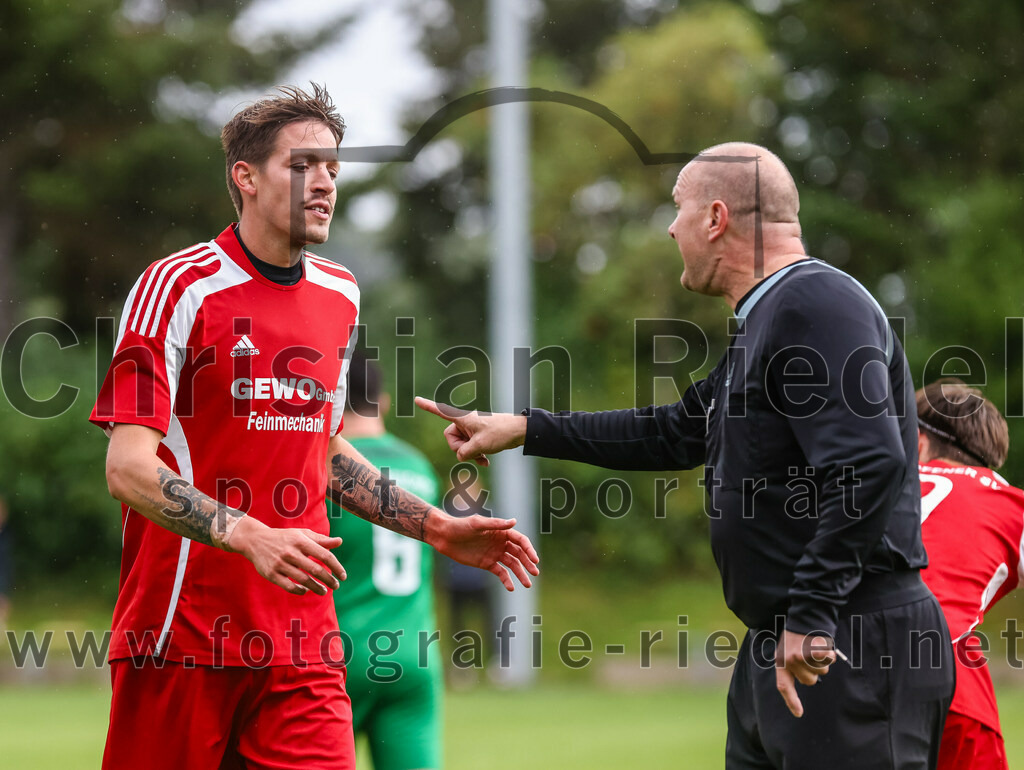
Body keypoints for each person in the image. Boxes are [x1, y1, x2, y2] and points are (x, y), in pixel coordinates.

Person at [417, 142, 954, 768]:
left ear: (716, 218)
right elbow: (674, 431)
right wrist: (524, 428)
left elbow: (869, 465)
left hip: (841, 641)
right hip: (786, 641)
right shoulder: (770, 317)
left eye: (678, 208)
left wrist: (811, 612)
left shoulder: (815, 303)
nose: (672, 228)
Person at [89, 84, 538, 770]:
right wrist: (249, 535)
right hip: (181, 638)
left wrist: (435, 527)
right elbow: (128, 468)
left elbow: (322, 454)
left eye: (333, 167)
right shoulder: (177, 287)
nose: (326, 182)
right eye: (303, 165)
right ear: (246, 177)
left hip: (304, 647)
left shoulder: (340, 296)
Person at [328, 350, 444, 770]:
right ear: (384, 401)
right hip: (414, 653)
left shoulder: (325, 469)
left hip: (341, 653)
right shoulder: (420, 467)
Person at [916, 379, 1023, 770]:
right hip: (949, 680)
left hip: (833, 662)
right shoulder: (1008, 502)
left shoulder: (863, 485)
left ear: (917, 442)